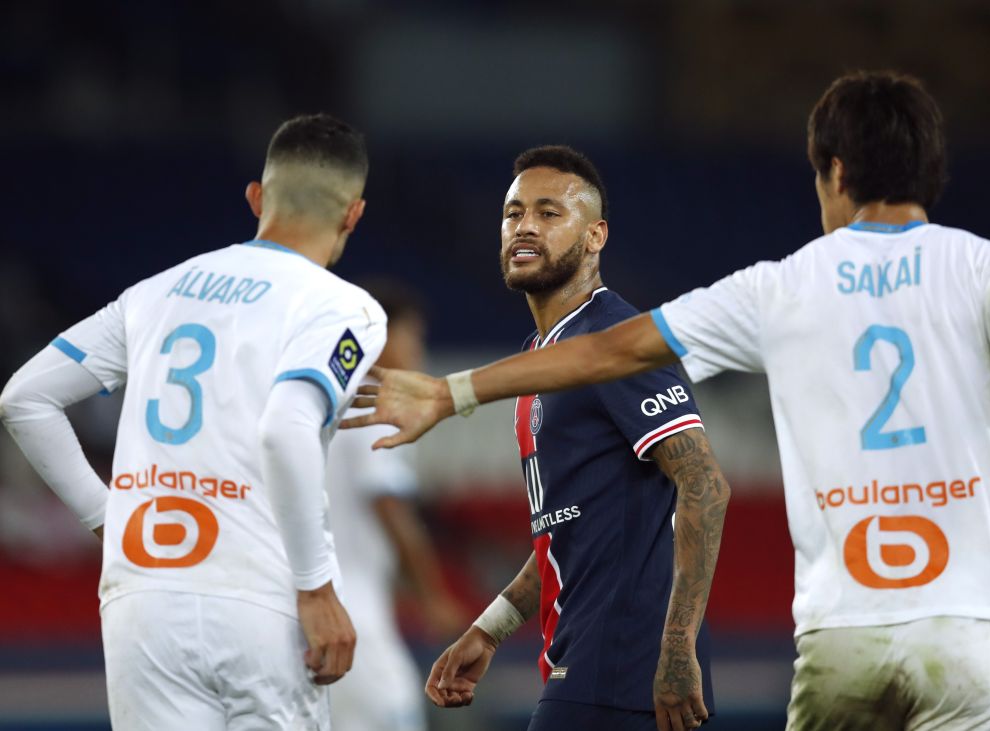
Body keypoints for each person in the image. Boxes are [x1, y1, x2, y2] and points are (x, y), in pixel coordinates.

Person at [345, 73, 990, 730]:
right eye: (513, 211)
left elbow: (611, 356)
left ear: (834, 171)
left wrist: (453, 392)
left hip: (841, 631)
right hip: (975, 624)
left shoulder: (779, 286)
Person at [0, 113, 386, 730]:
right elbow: (286, 429)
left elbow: (24, 399)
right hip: (260, 598)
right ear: (354, 214)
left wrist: (109, 521)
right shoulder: (344, 307)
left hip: (144, 599)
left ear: (256, 197)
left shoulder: (155, 292)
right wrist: (315, 587)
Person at [420, 146, 730, 731]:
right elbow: (568, 529)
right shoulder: (542, 358)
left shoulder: (615, 340)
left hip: (625, 668)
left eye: (548, 213)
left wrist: (677, 647)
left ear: (595, 237)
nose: (525, 226)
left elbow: (705, 482)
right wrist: (489, 630)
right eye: (513, 214)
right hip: (586, 663)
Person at [326, 282, 469, 731]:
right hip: (354, 612)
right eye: (414, 336)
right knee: (398, 717)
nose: (419, 349)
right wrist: (433, 597)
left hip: (321, 605)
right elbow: (389, 507)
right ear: (382, 336)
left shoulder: (328, 402)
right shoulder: (372, 404)